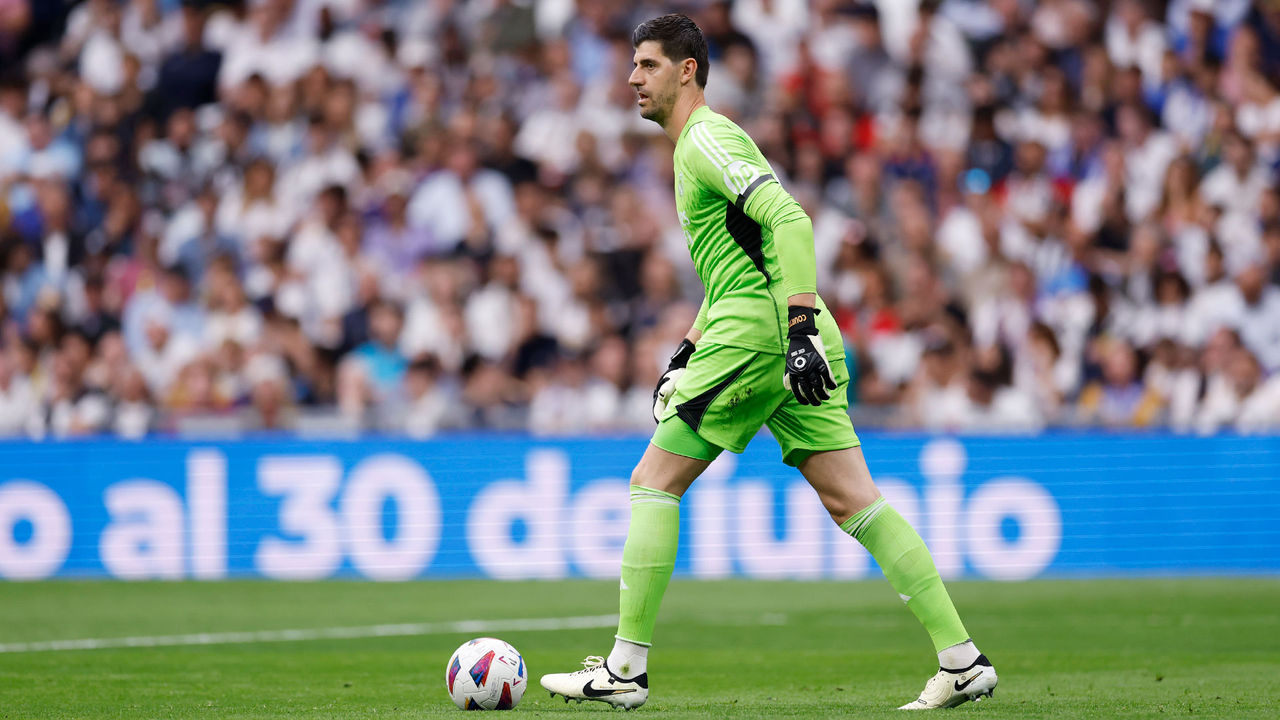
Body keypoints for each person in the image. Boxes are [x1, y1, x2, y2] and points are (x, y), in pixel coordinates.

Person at [539, 14, 997, 711]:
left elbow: (790, 221)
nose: (633, 77)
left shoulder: (706, 139)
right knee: (856, 501)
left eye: (649, 64)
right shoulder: (699, 146)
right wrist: (690, 348)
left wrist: (799, 324)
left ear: (687, 70)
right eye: (633, 65)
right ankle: (961, 660)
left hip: (762, 333)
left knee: (652, 482)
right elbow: (742, 260)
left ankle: (625, 670)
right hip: (777, 330)